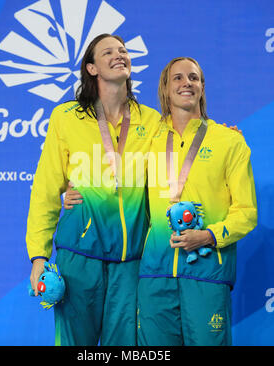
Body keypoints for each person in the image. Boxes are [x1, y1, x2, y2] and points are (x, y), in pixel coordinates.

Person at [26, 33, 161, 346]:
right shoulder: (66, 117)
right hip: (79, 256)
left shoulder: (152, 120)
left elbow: (182, 150)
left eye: (123, 50)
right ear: (91, 68)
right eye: (108, 52)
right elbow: (46, 188)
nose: (119, 55)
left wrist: (221, 137)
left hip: (131, 260)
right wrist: (38, 256)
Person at [136, 57, 257, 346]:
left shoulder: (230, 141)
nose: (186, 83)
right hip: (156, 273)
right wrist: (75, 190)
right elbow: (115, 184)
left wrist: (208, 236)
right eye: (177, 78)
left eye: (193, 77)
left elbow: (247, 212)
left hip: (207, 272)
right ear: (165, 89)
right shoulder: (147, 140)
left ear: (202, 87)